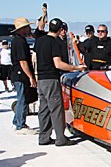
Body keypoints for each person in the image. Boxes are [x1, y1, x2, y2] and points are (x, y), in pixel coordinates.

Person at [34, 18, 86, 146]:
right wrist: (76, 68)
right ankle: (60, 138)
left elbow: (34, 58)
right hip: (51, 78)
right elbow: (58, 64)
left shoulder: (40, 41)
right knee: (56, 109)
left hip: (41, 79)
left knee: (44, 108)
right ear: (60, 29)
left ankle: (44, 137)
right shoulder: (54, 42)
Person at [10, 18, 37, 134]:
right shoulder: (19, 42)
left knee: (22, 98)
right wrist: (30, 76)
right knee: (22, 99)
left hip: (19, 73)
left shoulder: (18, 40)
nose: (29, 29)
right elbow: (23, 61)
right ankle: (20, 124)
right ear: (22, 29)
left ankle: (17, 121)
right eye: (27, 27)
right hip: (20, 74)